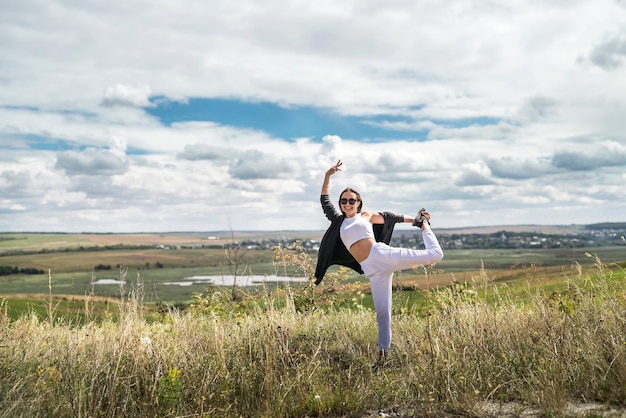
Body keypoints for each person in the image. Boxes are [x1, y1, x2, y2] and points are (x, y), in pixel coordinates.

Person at [315, 160, 444, 368]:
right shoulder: (338, 221)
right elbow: (324, 200)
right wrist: (327, 175)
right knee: (383, 315)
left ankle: (426, 229)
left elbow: (391, 217)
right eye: (344, 200)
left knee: (435, 254)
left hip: (381, 255)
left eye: (351, 200)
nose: (347, 204)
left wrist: (418, 222)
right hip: (373, 271)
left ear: (358, 203)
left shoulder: (365, 216)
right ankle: (383, 359)